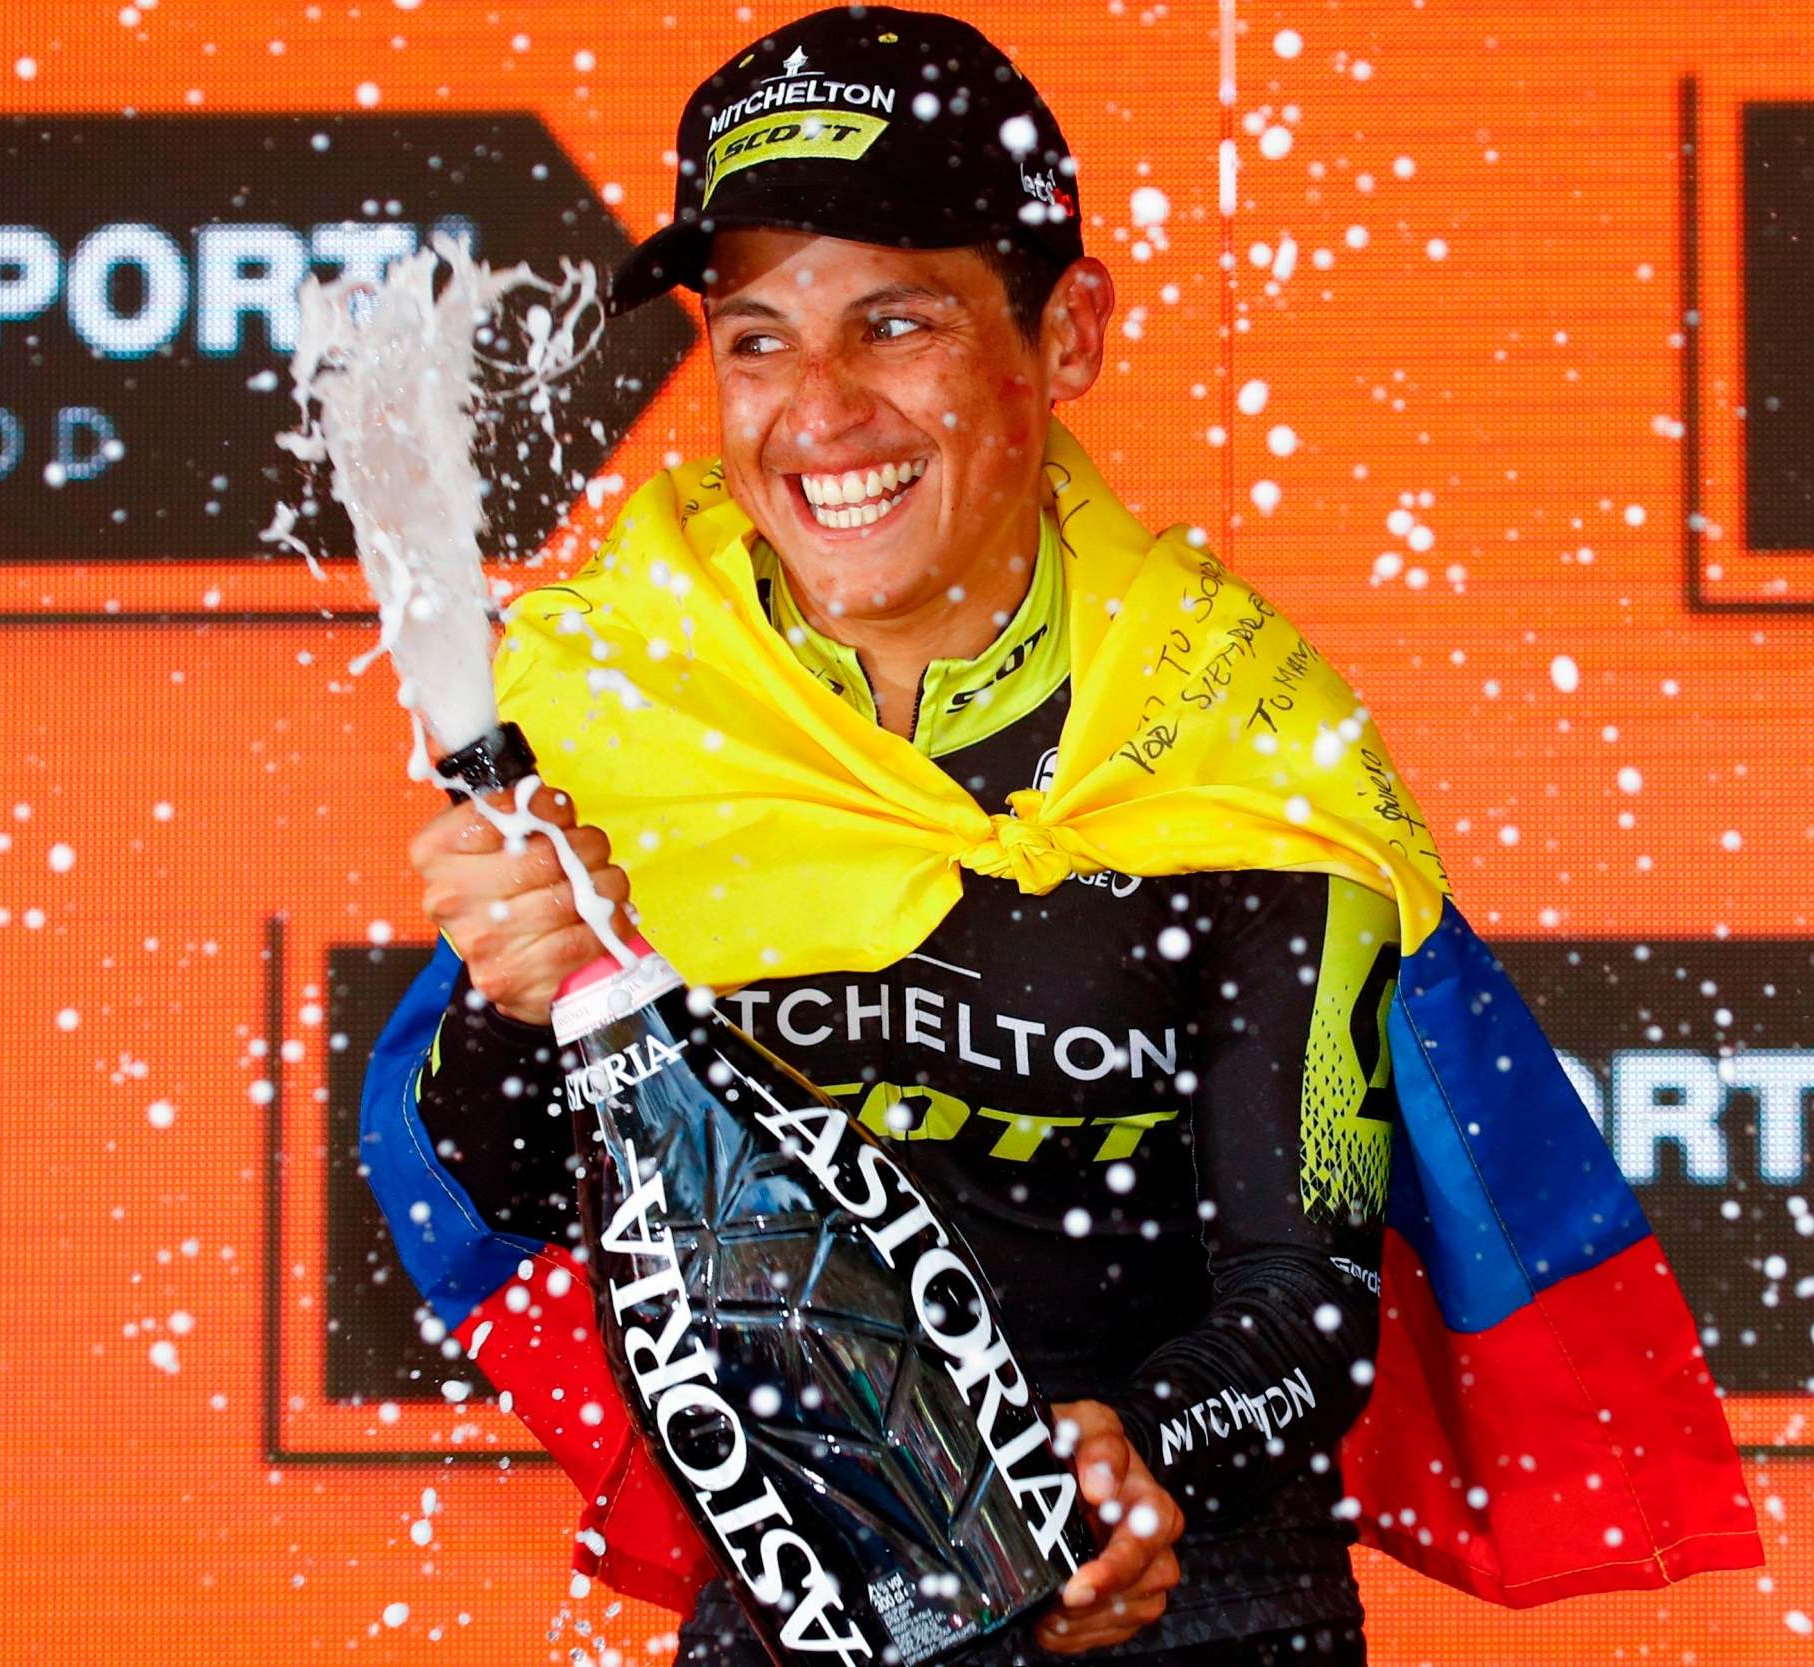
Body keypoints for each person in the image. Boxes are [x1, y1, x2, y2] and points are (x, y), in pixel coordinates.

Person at [389, 9, 1397, 1663]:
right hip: (793, 1608)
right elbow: (506, 1185)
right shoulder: (628, 693)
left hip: (1185, 1608)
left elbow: (1309, 1300)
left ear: (1064, 333)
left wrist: (1146, 1460)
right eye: (758, 339)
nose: (819, 411)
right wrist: (520, 1004)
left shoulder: (1236, 729)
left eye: (897, 322)